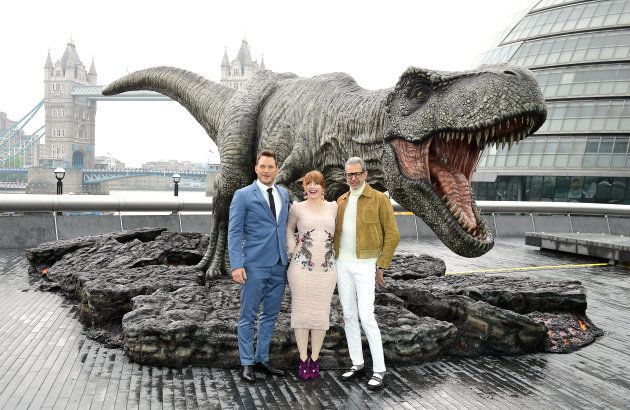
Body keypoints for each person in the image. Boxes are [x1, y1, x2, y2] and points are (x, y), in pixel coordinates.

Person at [333, 156, 400, 391]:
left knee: (367, 316)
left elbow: (392, 235)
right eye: (348, 174)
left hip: (366, 264)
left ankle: (379, 369)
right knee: (349, 315)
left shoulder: (379, 199)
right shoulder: (341, 200)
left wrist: (381, 266)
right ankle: (357, 363)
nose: (352, 178)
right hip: (342, 264)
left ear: (365, 174)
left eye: (356, 174)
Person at [228, 149, 290, 383]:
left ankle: (262, 358)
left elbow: (284, 227)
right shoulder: (243, 195)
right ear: (256, 168)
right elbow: (234, 232)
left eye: (270, 167)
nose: (266, 171)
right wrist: (236, 265)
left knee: (271, 315)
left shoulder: (284, 194)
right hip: (253, 265)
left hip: (279, 264)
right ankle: (246, 363)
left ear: (276, 169)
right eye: (262, 166)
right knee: (248, 315)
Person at [286, 171, 338, 380]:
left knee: (320, 314)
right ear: (304, 187)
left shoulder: (334, 207)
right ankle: (302, 358)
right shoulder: (297, 208)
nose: (313, 186)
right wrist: (292, 248)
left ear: (323, 187)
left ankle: (314, 360)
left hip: (326, 270)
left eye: (317, 183)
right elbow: (288, 230)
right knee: (301, 314)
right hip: (300, 268)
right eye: (309, 183)